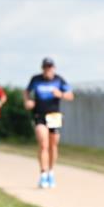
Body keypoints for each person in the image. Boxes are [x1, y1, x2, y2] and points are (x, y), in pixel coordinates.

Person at [24, 57, 73, 188]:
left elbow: (70, 95)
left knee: (53, 145)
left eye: (50, 67)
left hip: (54, 116)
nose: (48, 69)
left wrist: (60, 94)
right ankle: (43, 174)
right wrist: (28, 101)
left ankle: (51, 171)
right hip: (39, 114)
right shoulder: (36, 79)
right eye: (46, 67)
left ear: (54, 68)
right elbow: (26, 92)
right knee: (43, 143)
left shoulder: (59, 80)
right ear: (42, 68)